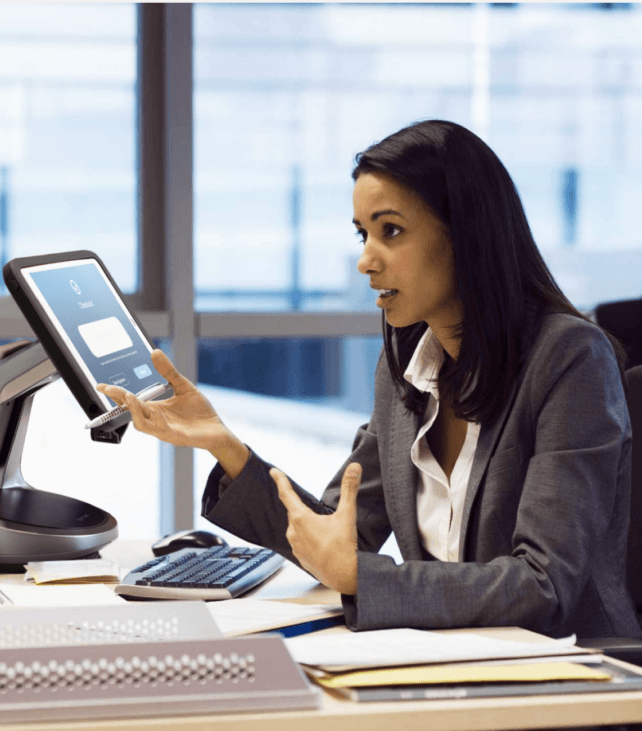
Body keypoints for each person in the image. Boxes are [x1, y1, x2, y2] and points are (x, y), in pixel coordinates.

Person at [99, 119, 641, 640]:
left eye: (392, 232)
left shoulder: (569, 359)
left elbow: (544, 589)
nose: (365, 261)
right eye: (363, 233)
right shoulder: (408, 372)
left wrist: (361, 578)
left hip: (570, 672)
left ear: (466, 237)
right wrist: (224, 445)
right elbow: (339, 533)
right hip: (451, 659)